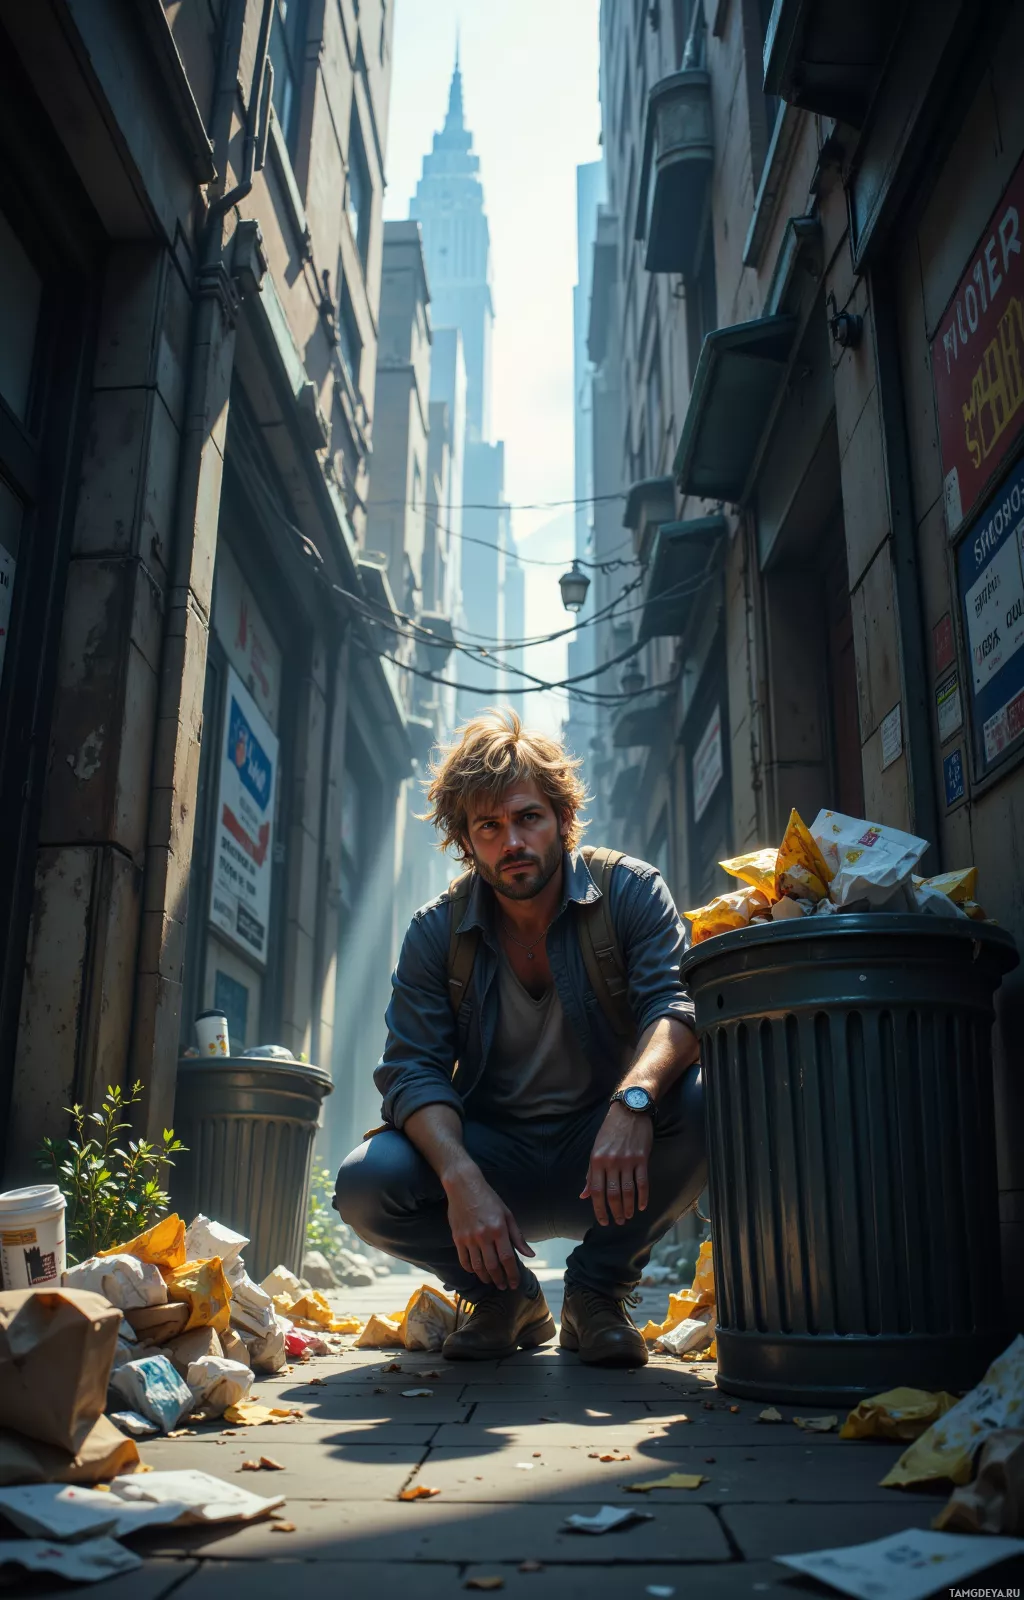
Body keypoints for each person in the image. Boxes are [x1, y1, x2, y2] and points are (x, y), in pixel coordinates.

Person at [334, 709, 705, 1367]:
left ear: (562, 818)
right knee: (369, 1181)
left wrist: (635, 1103)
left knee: (711, 1100)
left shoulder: (630, 891)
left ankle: (596, 1294)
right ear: (465, 840)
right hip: (493, 1163)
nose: (513, 842)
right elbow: (411, 1071)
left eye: (529, 817)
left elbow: (676, 1008)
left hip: (607, 1152)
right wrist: (459, 1175)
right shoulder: (435, 933)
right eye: (490, 826)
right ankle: (504, 1298)